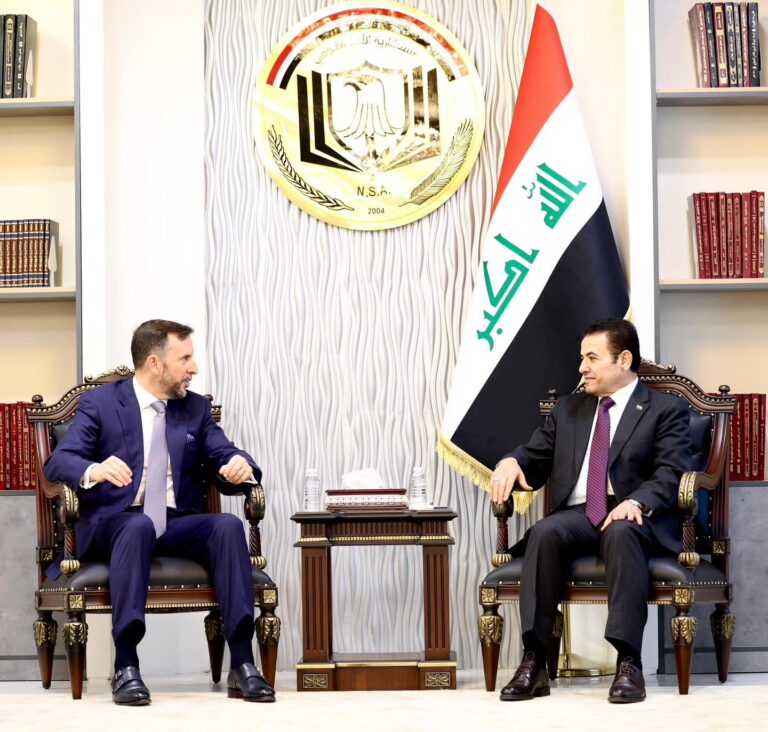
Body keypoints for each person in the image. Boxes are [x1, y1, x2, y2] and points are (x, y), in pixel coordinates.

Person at [44, 319, 275, 706]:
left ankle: (242, 663)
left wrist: (240, 464)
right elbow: (58, 462)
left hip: (175, 522)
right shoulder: (101, 404)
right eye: (184, 359)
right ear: (155, 363)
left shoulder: (195, 408)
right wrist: (94, 469)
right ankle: (126, 666)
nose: (193, 368)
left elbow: (224, 450)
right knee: (136, 526)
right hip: (116, 524)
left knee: (227, 525)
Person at [490, 318, 691, 704]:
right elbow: (535, 454)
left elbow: (672, 470)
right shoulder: (570, 408)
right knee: (545, 531)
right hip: (582, 513)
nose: (582, 367)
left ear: (623, 359)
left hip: (634, 513)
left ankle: (628, 663)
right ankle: (534, 661)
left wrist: (636, 501)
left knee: (621, 530)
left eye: (592, 358)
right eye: (582, 358)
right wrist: (512, 461)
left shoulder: (665, 409)